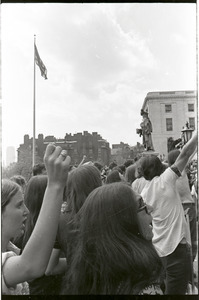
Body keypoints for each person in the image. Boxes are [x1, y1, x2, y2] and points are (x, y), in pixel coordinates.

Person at [62, 182, 163, 295]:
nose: (150, 208)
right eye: (140, 203)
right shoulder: (144, 285)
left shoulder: (94, 277)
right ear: (122, 222)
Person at [2, 143, 71, 295]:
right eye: (19, 205)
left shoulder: (12, 251)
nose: (26, 211)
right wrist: (55, 185)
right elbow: (31, 266)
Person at [140, 132, 197, 295]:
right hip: (176, 248)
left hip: (159, 248)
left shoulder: (144, 192)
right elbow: (185, 154)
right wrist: (196, 135)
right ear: (160, 167)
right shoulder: (166, 179)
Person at [21, 175, 66, 295]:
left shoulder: (21, 228)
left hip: (34, 289)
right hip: (52, 288)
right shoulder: (53, 227)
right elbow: (50, 266)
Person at [57, 164, 102, 262]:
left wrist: (71, 262)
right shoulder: (109, 213)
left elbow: (50, 268)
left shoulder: (61, 221)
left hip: (76, 275)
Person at [167, 149, 197, 261]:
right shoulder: (181, 171)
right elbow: (189, 154)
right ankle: (190, 263)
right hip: (188, 206)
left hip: (177, 208)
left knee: (182, 239)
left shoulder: (168, 175)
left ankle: (185, 264)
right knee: (192, 238)